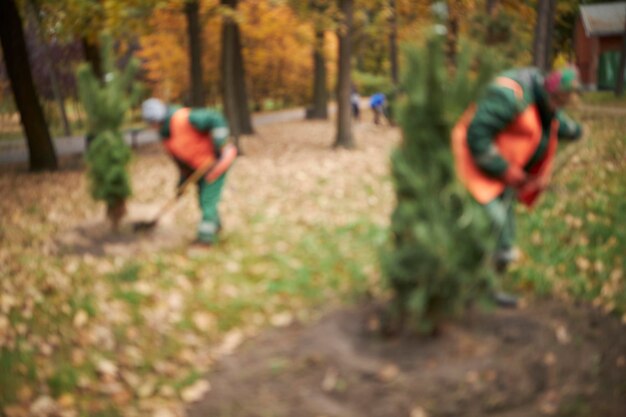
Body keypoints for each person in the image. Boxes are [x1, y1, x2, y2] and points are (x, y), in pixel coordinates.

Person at [452, 66, 583, 274]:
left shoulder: (545, 105)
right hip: (473, 162)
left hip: (498, 173)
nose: (559, 107)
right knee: (493, 223)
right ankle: (467, 281)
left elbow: (556, 123)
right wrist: (504, 169)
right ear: (551, 91)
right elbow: (477, 134)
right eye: (558, 100)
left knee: (505, 236)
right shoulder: (510, 96)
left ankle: (488, 290)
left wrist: (577, 131)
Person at [141, 98, 237, 246]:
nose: (153, 126)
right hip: (197, 168)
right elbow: (181, 163)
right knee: (203, 200)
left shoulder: (184, 118)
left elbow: (216, 118)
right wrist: (181, 184)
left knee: (207, 200)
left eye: (154, 121)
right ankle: (216, 227)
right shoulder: (166, 135)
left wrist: (220, 142)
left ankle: (205, 240)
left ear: (160, 117)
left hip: (214, 162)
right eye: (151, 123)